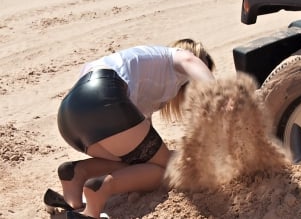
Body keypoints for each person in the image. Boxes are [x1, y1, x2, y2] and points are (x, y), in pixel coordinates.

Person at [43, 39, 215, 219]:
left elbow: (141, 145)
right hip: (105, 97)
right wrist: (216, 92)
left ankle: (77, 175)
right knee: (169, 169)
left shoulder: (148, 70)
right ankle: (101, 190)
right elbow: (189, 61)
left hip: (71, 114)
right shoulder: (177, 57)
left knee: (138, 163)